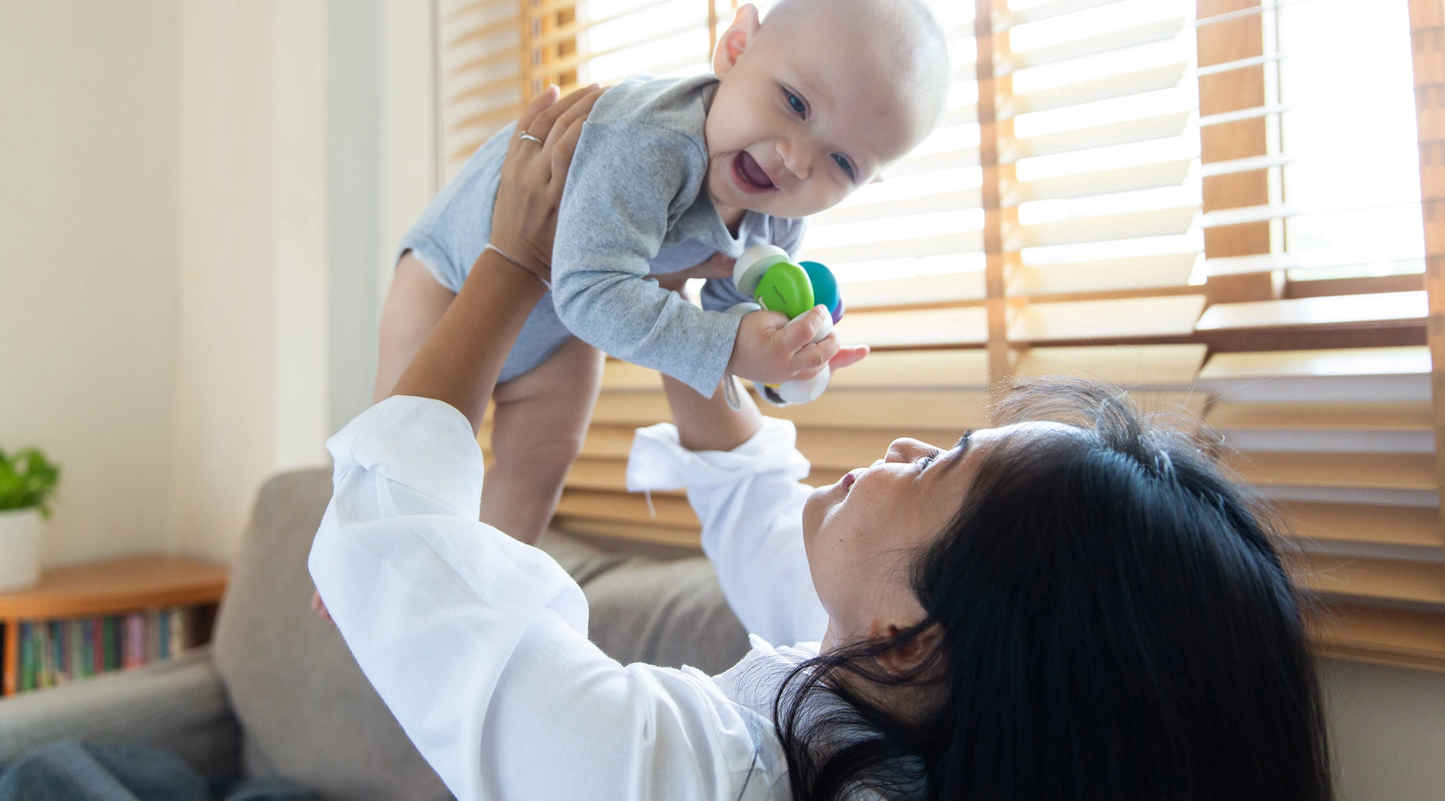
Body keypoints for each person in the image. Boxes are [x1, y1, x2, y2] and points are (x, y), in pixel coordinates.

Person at [309, 89, 1334, 800]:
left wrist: (514, 258)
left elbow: (391, 545)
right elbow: (759, 513)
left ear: (910, 637)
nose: (901, 444)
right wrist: (695, 311)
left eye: (939, 462)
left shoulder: (700, 775)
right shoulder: (905, 719)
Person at [380, 0, 951, 544]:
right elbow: (593, 290)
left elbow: (730, 317)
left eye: (843, 162)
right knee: (404, 457)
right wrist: (732, 346)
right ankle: (379, 547)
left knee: (543, 458)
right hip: (452, 278)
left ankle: (490, 585)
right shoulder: (650, 140)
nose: (798, 160)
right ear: (736, 49)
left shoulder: (777, 220)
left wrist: (785, 362)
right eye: (795, 103)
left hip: (561, 323)